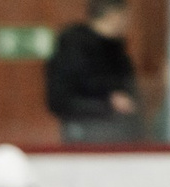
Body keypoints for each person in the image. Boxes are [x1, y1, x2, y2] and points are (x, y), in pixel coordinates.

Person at [44, 0, 140, 143]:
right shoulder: (73, 48)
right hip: (85, 130)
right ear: (113, 15)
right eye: (125, 16)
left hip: (118, 131)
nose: (127, 22)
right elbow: (61, 97)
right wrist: (108, 103)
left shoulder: (117, 52)